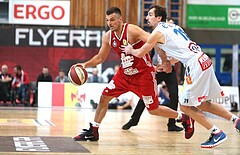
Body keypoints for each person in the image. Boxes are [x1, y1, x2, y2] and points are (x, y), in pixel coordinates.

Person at [122, 5, 240, 148]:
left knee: (184, 106)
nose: (147, 17)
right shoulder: (176, 27)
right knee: (202, 103)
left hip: (195, 65)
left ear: (159, 18)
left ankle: (216, 133)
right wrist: (168, 63)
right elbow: (183, 52)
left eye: (150, 15)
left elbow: (140, 53)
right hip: (204, 59)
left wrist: (130, 50)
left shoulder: (157, 32)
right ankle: (235, 120)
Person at [73, 7, 194, 142]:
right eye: (107, 20)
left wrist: (165, 60)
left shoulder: (132, 30)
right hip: (124, 75)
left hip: (143, 75)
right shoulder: (108, 36)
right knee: (104, 98)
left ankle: (183, 117)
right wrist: (84, 65)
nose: (110, 23)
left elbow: (154, 42)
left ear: (120, 19)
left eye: (112, 20)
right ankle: (94, 131)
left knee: (153, 109)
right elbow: (100, 58)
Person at [122, 16, 183, 132]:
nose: (170, 27)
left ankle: (171, 123)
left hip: (169, 70)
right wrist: (152, 67)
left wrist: (169, 63)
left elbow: (180, 55)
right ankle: (133, 120)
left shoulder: (176, 39)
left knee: (174, 96)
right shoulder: (157, 35)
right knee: (146, 95)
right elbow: (147, 53)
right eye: (169, 24)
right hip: (156, 69)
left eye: (172, 25)